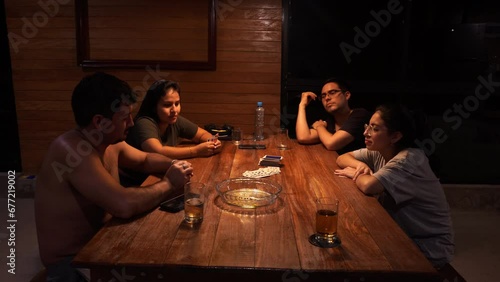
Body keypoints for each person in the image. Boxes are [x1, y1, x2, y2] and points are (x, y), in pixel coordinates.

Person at [34, 72, 194, 282]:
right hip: (72, 263)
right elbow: (123, 204)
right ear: (100, 121)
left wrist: (174, 165)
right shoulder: (72, 151)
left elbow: (145, 159)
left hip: (104, 245)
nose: (131, 123)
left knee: (176, 252)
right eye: (125, 117)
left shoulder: (111, 141)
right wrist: (169, 182)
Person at [335, 104, 456, 273]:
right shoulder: (379, 150)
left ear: (395, 136)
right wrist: (360, 166)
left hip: (427, 247)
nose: (366, 133)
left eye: (374, 128)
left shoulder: (409, 159)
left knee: (350, 256)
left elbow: (369, 186)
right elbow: (342, 158)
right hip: (401, 234)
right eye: (367, 126)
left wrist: (357, 175)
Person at [295, 77, 371, 154]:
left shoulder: (359, 115)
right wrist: (302, 106)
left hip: (363, 165)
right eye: (323, 96)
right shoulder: (331, 121)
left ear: (347, 95)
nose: (327, 98)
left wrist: (319, 127)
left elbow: (331, 144)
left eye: (332, 92)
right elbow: (303, 137)